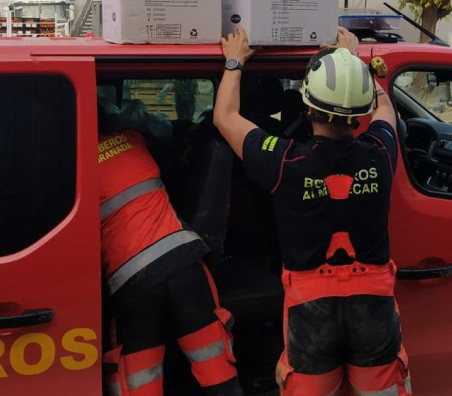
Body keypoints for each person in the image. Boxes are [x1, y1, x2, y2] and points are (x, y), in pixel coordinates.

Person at [214, 26, 411, 396]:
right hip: (374, 307)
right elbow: (385, 108)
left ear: (307, 107)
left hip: (311, 313)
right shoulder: (381, 153)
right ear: (361, 110)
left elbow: (224, 117)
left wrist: (234, 60)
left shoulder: (286, 161)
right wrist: (352, 63)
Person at [97, 105, 243, 396]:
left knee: (141, 379)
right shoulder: (133, 139)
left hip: (132, 285)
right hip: (184, 263)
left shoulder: (73, 165)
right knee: (216, 366)